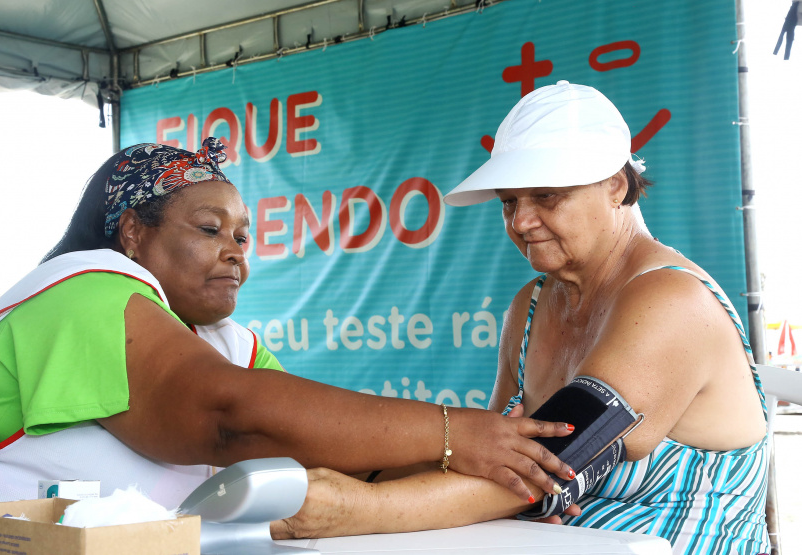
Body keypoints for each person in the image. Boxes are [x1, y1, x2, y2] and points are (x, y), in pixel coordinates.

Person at [0, 139, 575, 555]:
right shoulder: (80, 289)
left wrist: (511, 480)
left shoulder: (224, 341)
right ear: (133, 233)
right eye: (210, 229)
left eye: (243, 235)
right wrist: (457, 434)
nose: (236, 252)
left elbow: (329, 452)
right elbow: (229, 418)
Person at [271, 82, 770, 555]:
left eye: (546, 195)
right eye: (509, 202)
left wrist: (353, 506)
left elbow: (551, 471)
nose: (522, 222)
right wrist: (357, 477)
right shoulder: (530, 305)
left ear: (617, 186)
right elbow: (492, 462)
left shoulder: (672, 300)